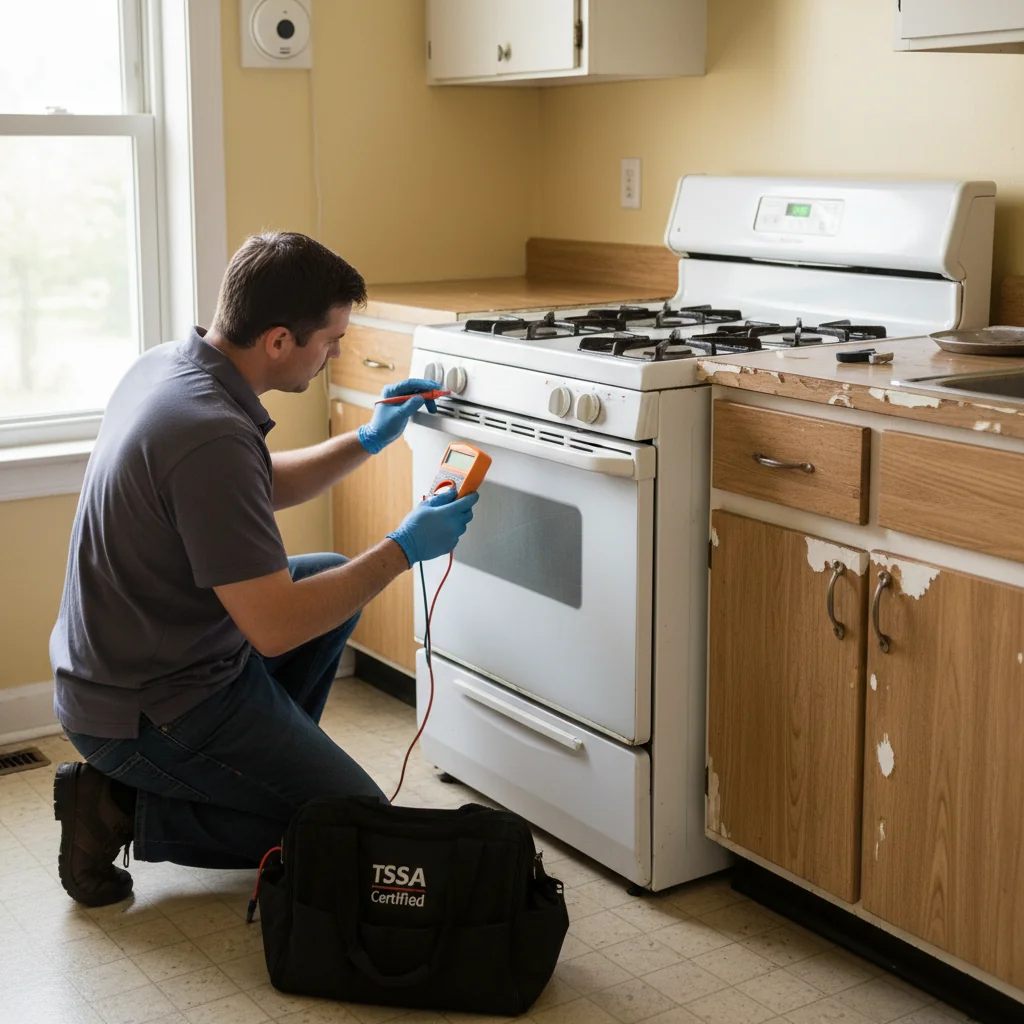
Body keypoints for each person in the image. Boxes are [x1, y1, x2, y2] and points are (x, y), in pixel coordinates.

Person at [48, 231, 478, 907]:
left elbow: (252, 485)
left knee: (329, 571)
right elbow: (276, 628)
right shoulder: (207, 431)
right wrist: (402, 549)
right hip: (147, 706)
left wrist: (367, 439)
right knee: (348, 824)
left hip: (146, 661)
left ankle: (253, 768)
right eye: (330, 339)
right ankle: (121, 805)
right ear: (279, 340)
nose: (334, 352)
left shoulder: (172, 369)